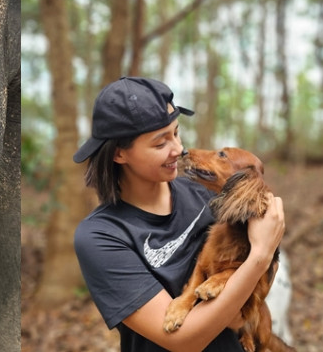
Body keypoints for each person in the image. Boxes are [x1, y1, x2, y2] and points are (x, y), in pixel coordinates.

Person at [73, 77, 285, 352]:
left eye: (176, 133)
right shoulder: (101, 236)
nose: (179, 149)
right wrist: (259, 258)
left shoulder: (205, 193)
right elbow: (183, 340)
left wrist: (245, 301)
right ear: (119, 154)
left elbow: (268, 266)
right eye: (161, 143)